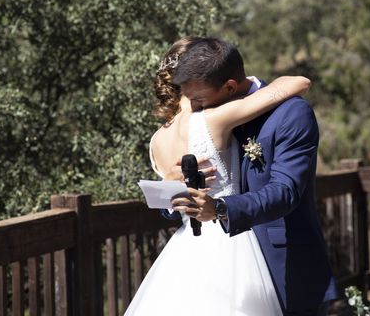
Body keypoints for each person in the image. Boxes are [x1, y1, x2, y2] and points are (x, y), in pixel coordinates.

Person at [124, 36, 312, 316]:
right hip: (230, 243)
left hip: (184, 250)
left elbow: (169, 202)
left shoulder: (156, 141)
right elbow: (298, 83)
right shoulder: (215, 118)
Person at [170, 37, 337, 316]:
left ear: (230, 87)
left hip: (283, 268)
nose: (195, 110)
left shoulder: (291, 113)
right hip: (222, 272)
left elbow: (286, 191)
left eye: (199, 100)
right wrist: (178, 193)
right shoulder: (204, 118)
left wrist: (220, 209)